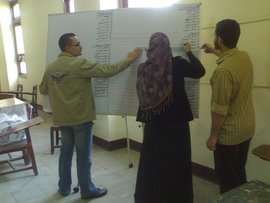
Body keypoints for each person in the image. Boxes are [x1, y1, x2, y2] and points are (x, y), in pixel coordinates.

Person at [39, 33, 141, 200]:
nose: (81, 47)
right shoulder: (79, 63)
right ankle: (87, 190)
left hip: (63, 120)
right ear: (67, 47)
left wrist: (58, 84)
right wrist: (129, 60)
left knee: (65, 154)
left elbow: (43, 90)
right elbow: (107, 71)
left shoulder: (51, 67)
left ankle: (64, 188)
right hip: (81, 119)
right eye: (77, 44)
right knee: (83, 155)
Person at [134, 32, 205, 203]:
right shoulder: (178, 64)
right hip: (177, 128)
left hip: (154, 129)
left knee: (154, 165)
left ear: (151, 48)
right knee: (177, 164)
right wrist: (188, 52)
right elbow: (199, 71)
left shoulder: (144, 69)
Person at [201, 19, 255, 194]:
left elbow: (220, 110)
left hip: (229, 135)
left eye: (215, 35)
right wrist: (214, 51)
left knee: (228, 181)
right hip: (246, 128)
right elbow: (230, 60)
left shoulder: (222, 72)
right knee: (239, 173)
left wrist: (213, 137)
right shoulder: (243, 56)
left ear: (220, 39)